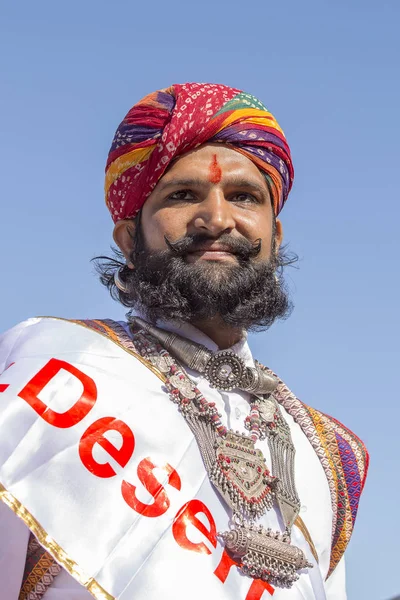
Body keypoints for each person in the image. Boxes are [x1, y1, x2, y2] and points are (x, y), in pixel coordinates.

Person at [0, 82, 368, 600]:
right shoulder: (50, 367)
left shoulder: (332, 458)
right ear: (129, 240)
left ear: (275, 237)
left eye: (243, 197)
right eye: (183, 195)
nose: (217, 219)